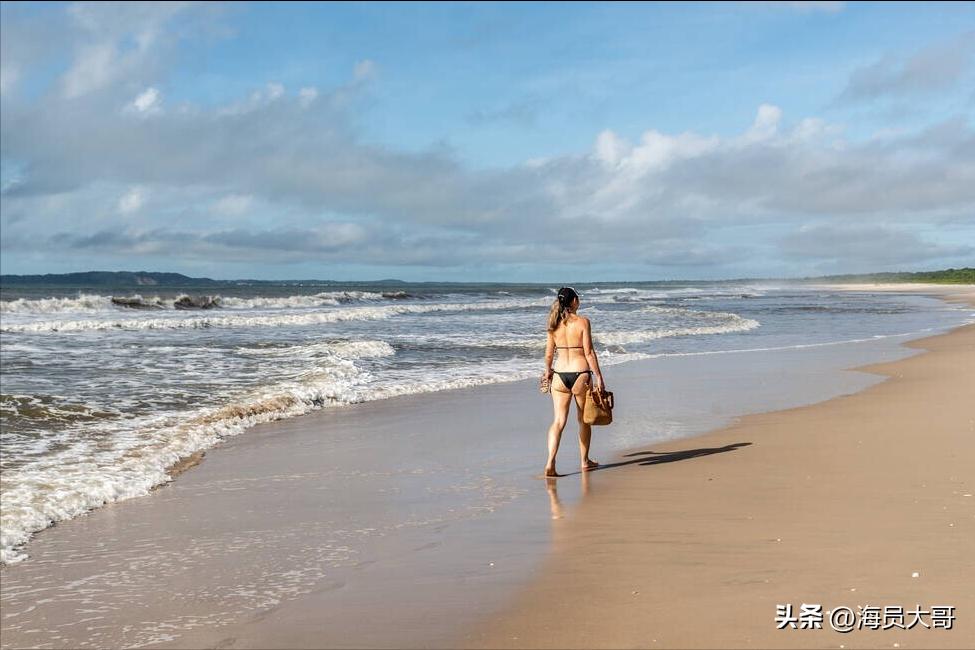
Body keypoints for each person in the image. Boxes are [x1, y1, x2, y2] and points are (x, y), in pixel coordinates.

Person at [542, 286, 604, 477]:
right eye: (578, 297)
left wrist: (547, 372)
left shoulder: (553, 324)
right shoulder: (583, 322)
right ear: (574, 301)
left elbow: (549, 354)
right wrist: (599, 377)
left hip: (560, 376)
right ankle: (584, 461)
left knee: (558, 421)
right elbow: (589, 353)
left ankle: (550, 463)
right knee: (583, 420)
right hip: (580, 374)